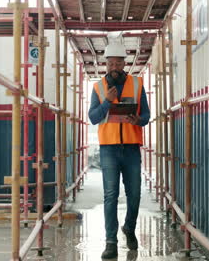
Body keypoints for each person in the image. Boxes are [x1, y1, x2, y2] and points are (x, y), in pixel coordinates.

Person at [88, 40, 150, 259]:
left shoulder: (137, 84)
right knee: (111, 195)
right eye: (110, 63)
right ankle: (110, 241)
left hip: (132, 148)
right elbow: (93, 117)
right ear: (105, 64)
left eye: (118, 63)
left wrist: (137, 119)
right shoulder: (98, 87)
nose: (114, 67)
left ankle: (129, 228)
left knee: (134, 195)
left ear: (125, 63)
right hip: (109, 150)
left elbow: (147, 117)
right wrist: (107, 101)